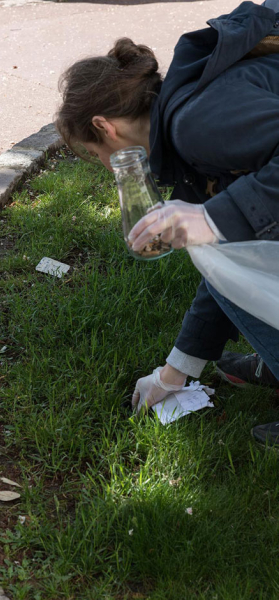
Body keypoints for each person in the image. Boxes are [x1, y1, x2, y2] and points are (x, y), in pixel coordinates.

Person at [55, 0, 279, 448]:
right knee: (222, 244)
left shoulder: (195, 125)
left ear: (105, 127)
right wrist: (174, 373)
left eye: (91, 152)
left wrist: (214, 218)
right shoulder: (185, 136)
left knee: (220, 238)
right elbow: (224, 268)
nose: (99, 164)